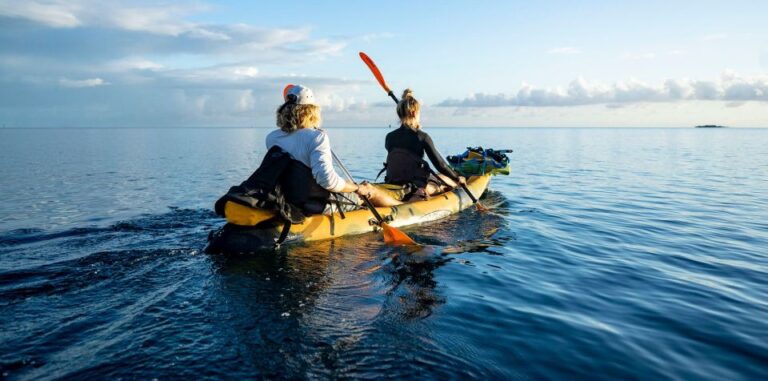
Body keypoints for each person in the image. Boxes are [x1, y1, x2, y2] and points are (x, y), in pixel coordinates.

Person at [267, 84, 401, 214]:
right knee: (370, 191)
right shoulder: (317, 137)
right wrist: (357, 188)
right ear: (311, 111)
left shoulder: (272, 138)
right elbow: (327, 181)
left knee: (349, 185)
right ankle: (405, 208)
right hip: (316, 204)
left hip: (288, 199)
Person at [382, 89, 466, 201]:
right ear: (414, 113)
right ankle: (457, 189)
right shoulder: (422, 137)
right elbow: (441, 165)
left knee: (438, 177)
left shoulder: (389, 137)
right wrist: (456, 178)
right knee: (444, 179)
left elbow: (401, 160)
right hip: (414, 186)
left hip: (392, 182)